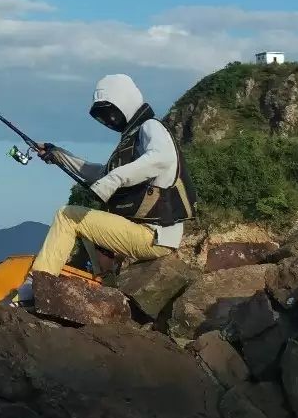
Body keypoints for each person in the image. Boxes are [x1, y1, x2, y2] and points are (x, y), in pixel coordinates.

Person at [18, 73, 194, 302]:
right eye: (104, 116)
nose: (109, 120)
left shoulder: (150, 127)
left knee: (67, 216)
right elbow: (99, 173)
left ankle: (35, 287)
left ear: (125, 102)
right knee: (87, 220)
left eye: (111, 112)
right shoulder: (133, 137)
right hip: (147, 233)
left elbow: (161, 158)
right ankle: (103, 282)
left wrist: (113, 181)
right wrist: (58, 155)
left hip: (155, 235)